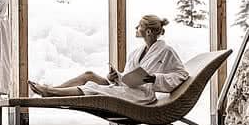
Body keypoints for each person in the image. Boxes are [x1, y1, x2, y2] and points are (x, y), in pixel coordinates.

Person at [28, 15, 189, 104]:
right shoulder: (136, 52)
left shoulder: (166, 51)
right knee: (89, 75)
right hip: (127, 88)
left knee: (92, 88)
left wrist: (156, 78)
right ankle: (53, 91)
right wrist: (116, 77)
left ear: (148, 31)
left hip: (141, 96)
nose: (136, 29)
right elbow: (129, 77)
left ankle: (50, 92)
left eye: (139, 26)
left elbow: (182, 75)